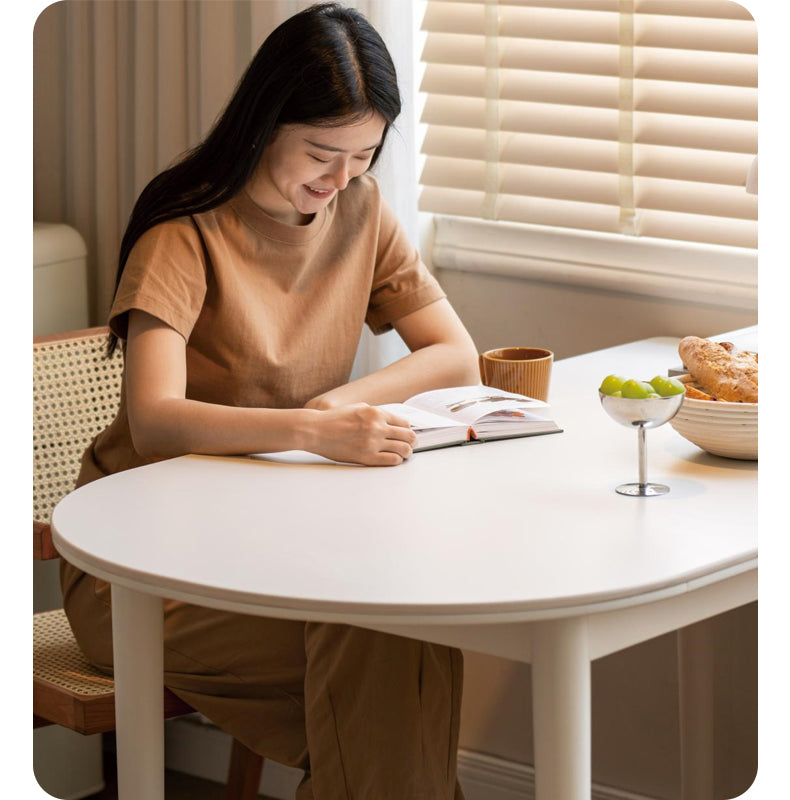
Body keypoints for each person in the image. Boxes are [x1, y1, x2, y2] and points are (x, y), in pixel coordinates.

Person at [60, 3, 479, 798]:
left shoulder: (359, 212)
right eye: (322, 152)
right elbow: (154, 422)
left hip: (276, 544)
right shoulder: (183, 233)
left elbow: (455, 355)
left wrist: (332, 408)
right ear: (265, 122)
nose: (341, 178)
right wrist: (316, 434)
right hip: (143, 571)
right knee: (389, 653)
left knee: (399, 641)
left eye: (365, 155)